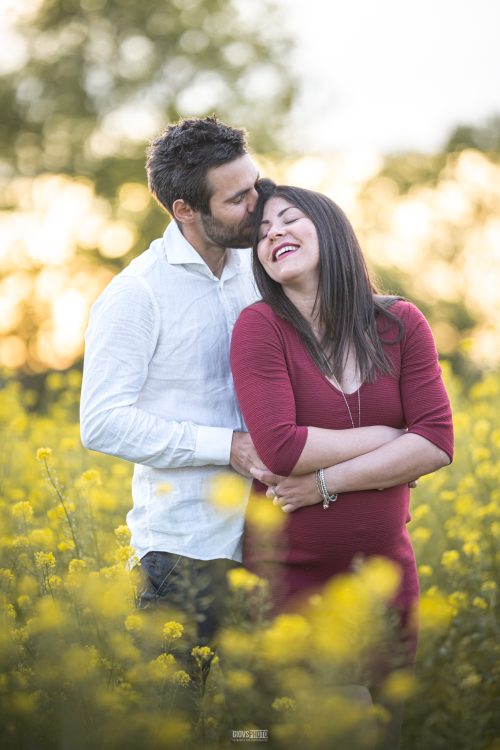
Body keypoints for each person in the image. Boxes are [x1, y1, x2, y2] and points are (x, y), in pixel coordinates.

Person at [230, 182, 453, 738]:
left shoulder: (400, 324)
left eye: (287, 219)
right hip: (295, 573)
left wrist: (323, 482)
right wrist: (390, 434)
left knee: (387, 729)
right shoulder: (260, 327)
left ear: (328, 226)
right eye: (260, 233)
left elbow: (437, 443)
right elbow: (281, 448)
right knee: (343, 729)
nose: (272, 233)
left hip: (384, 572)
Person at [80, 116, 264, 644]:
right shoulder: (137, 293)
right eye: (236, 199)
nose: (257, 205)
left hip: (274, 538)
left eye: (256, 186)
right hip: (185, 550)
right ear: (184, 209)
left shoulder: (262, 264)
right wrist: (226, 447)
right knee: (181, 724)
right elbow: (102, 423)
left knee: (259, 727)